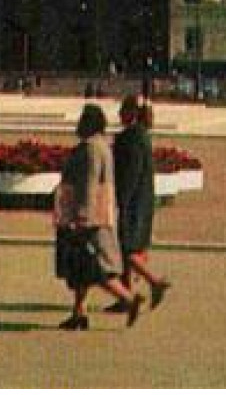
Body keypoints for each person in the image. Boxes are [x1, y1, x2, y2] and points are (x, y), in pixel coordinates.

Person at [53, 103, 143, 330]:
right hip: (96, 214)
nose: (78, 123)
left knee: (94, 268)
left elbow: (90, 183)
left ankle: (129, 300)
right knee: (82, 268)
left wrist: (82, 217)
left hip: (89, 217)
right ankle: (78, 313)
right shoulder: (101, 145)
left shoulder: (93, 148)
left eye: (82, 119)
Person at [110, 96, 171, 310]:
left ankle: (154, 281)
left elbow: (130, 173)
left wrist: (120, 199)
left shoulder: (132, 138)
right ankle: (126, 294)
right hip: (142, 200)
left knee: (126, 248)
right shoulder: (140, 135)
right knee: (128, 248)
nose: (119, 115)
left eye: (123, 110)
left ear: (132, 113)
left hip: (133, 202)